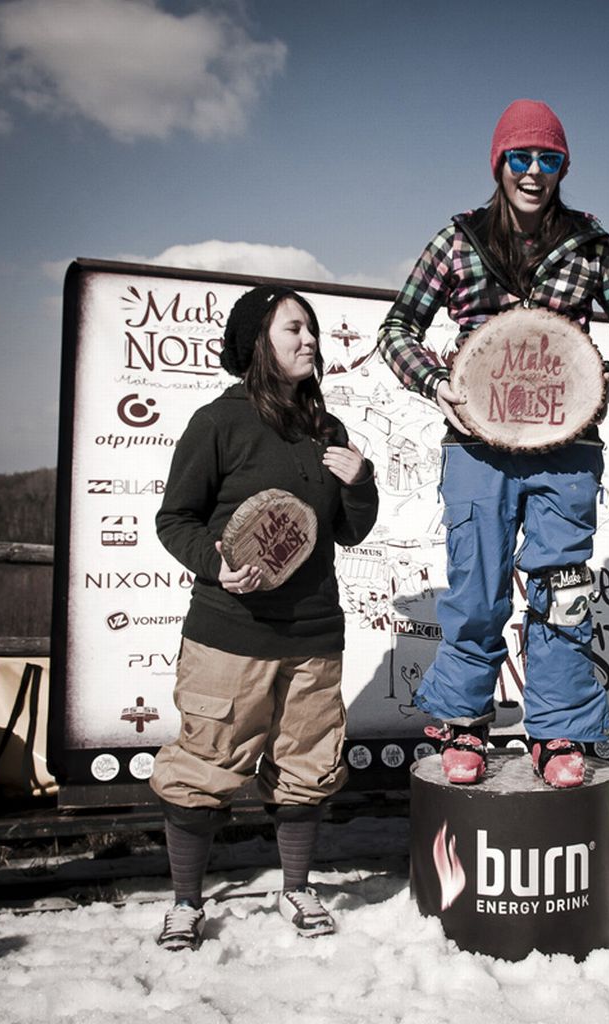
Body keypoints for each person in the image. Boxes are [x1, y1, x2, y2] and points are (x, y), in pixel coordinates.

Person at [378, 99, 609, 788]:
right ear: (500, 162)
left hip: (566, 453)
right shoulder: (457, 238)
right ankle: (464, 724)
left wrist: (600, 384)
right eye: (521, 157)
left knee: (562, 593)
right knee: (476, 594)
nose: (534, 172)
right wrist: (436, 383)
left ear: (564, 165)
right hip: (477, 448)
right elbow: (397, 329)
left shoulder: (592, 244)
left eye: (549, 159)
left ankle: (558, 731)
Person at [150, 285, 379, 951]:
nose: (309, 340)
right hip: (229, 635)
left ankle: (297, 889)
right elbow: (175, 518)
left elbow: (348, 532)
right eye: (293, 330)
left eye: (311, 330)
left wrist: (360, 482)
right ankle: (188, 903)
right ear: (258, 344)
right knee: (204, 765)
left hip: (314, 633)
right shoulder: (218, 423)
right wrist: (214, 562)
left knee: (307, 763)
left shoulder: (326, 431)